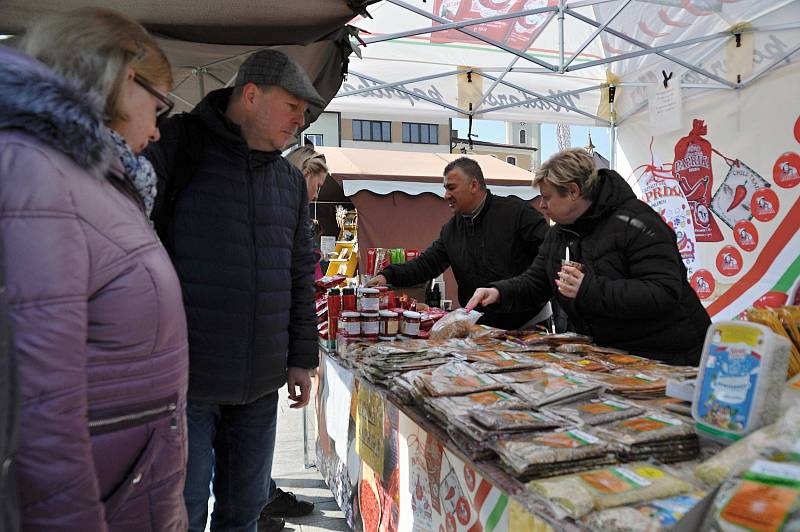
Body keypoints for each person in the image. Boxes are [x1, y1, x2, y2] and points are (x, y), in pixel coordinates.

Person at [1, 8, 189, 531]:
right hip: (106, 492)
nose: (156, 130)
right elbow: (40, 403)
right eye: (160, 106)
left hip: (128, 481)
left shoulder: (98, 177)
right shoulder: (36, 171)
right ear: (126, 78)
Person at [144, 49, 320, 532]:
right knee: (182, 513)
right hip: (186, 381)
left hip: (260, 385)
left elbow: (301, 273)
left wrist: (301, 357)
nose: (299, 123)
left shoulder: (288, 180)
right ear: (250, 94)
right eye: (292, 108)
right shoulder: (178, 147)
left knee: (243, 514)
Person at [467, 148, 710, 365]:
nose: (541, 205)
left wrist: (589, 288)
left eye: (548, 197)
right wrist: (499, 292)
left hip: (672, 357)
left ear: (573, 191)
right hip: (616, 357)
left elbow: (664, 291)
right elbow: (537, 280)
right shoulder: (560, 232)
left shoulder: (638, 224)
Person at [367, 157, 549, 330]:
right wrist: (387, 276)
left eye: (451, 188)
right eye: (445, 188)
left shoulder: (516, 214)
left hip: (528, 325)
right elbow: (426, 264)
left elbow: (550, 257)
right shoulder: (452, 230)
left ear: (474, 185)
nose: (446, 195)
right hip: (481, 329)